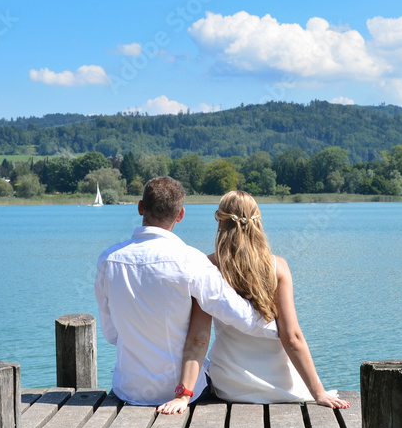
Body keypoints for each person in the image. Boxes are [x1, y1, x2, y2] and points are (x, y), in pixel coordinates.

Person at [158, 190, 348, 413]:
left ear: (220, 222)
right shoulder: (277, 267)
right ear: (258, 221)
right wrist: (319, 393)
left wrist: (183, 396)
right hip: (281, 387)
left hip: (230, 387)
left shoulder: (208, 267)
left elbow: (198, 340)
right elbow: (292, 338)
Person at [95, 177, 279, 406]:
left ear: (141, 207)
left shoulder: (108, 260)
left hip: (127, 390)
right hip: (184, 394)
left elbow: (111, 334)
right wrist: (279, 330)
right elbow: (238, 314)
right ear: (180, 214)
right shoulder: (192, 261)